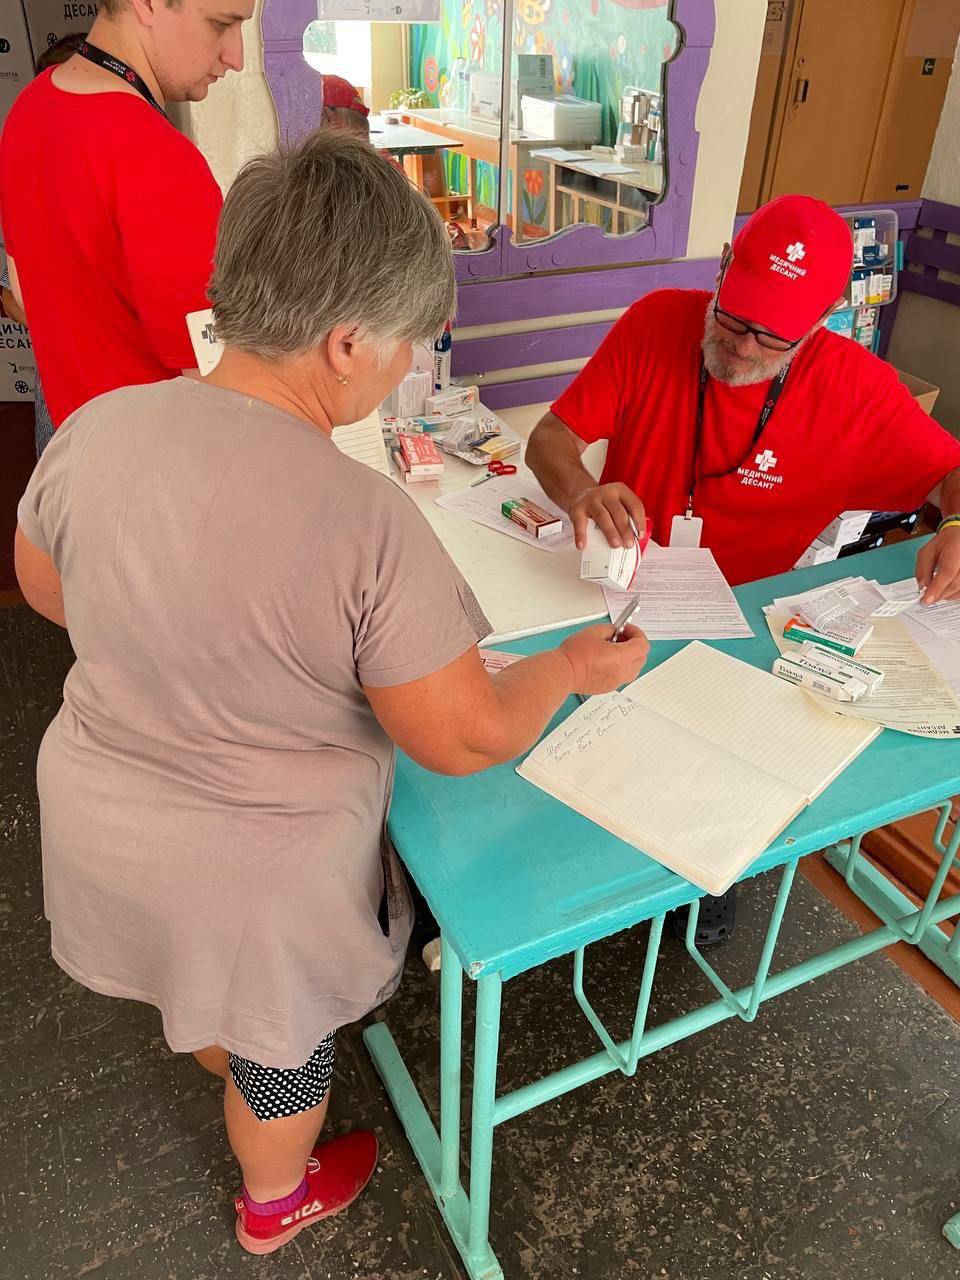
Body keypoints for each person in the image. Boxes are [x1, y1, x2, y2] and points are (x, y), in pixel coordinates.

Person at [14, 131, 649, 1257]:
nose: (406, 367)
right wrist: (570, 667)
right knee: (285, 1052)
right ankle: (276, 1198)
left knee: (197, 991)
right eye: (409, 344)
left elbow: (45, 586)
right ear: (347, 341)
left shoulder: (99, 425)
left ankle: (215, 1037)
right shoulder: (364, 519)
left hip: (100, 828)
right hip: (253, 889)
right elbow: (463, 737)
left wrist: (178, 642)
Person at [525, 193, 960, 943]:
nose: (745, 349)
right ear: (723, 269)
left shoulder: (854, 388)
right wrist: (581, 492)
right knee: (574, 786)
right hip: (623, 601)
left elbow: (951, 473)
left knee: (717, 815)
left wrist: (954, 523)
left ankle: (707, 877)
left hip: (747, 634)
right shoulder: (655, 322)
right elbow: (550, 438)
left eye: (773, 336)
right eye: (733, 320)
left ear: (823, 317)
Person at [0, 0, 253, 433]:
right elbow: (220, 388)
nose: (237, 57)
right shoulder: (161, 161)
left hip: (74, 450)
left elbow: (22, 294)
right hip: (161, 460)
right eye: (221, 24)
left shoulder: (28, 110)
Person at [0, 32, 88, 457]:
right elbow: (10, 298)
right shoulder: (26, 184)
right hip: (58, 398)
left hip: (126, 396)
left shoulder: (129, 170)